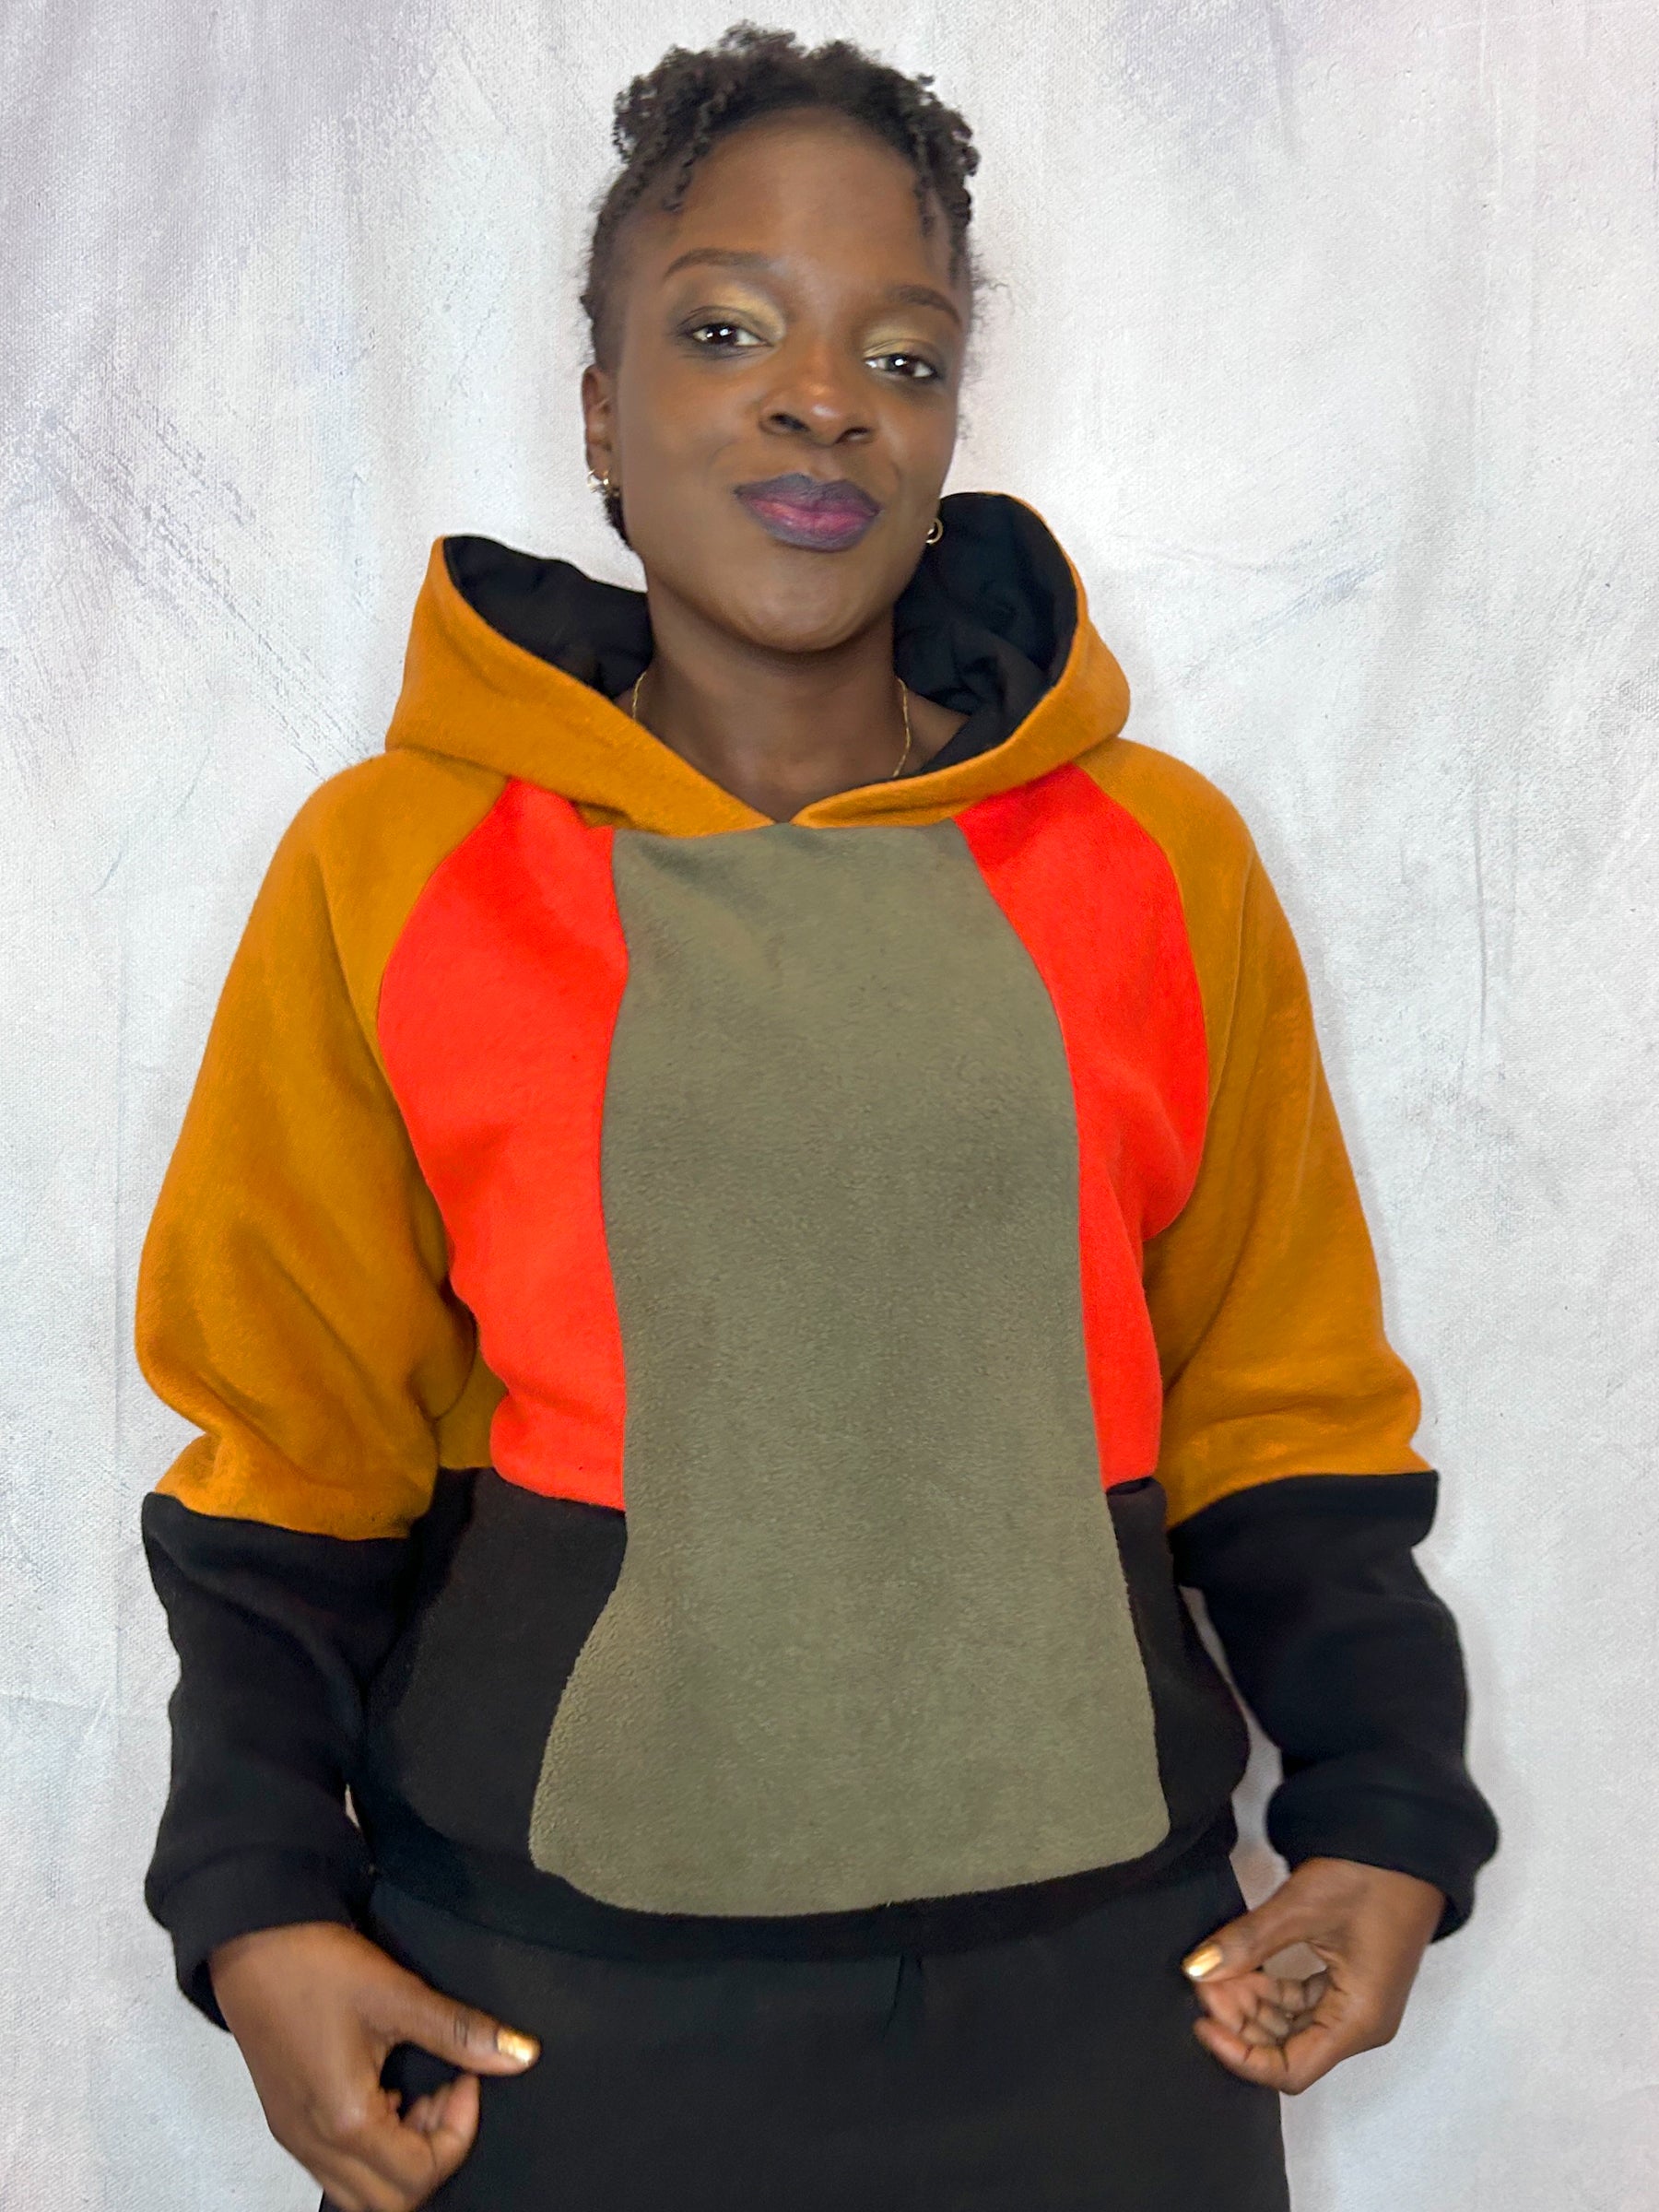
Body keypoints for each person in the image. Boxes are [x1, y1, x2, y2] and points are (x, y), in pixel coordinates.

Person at [137, 27, 1498, 2212]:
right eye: (723, 329)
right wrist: (256, 1899)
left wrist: (1385, 1811)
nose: (821, 399)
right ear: (601, 410)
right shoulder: (394, 867)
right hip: (548, 2014)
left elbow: (1279, 1388)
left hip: (1102, 2013)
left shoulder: (1156, 861)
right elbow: (291, 1441)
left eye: (902, 352)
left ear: (948, 425)